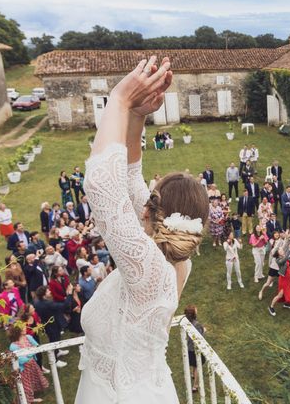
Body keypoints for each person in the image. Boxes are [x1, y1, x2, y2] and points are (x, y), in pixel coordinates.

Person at [75, 56, 210, 403]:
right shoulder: (173, 258)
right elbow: (130, 178)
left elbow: (104, 186)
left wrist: (118, 101)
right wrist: (137, 116)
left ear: (152, 212)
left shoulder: (149, 268)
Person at [33, 285, 73, 368]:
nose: (50, 292)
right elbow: (65, 306)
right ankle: (55, 360)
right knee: (54, 340)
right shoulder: (48, 304)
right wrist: (69, 294)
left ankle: (57, 351)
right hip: (51, 325)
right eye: (48, 291)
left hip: (50, 324)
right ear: (44, 295)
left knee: (56, 338)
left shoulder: (37, 302)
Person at [8, 325, 49, 402]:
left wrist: (29, 353)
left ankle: (31, 398)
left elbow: (37, 346)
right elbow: (20, 360)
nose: (25, 328)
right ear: (17, 331)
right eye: (22, 328)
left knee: (32, 381)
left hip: (32, 365)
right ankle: (28, 400)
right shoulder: (13, 346)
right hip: (23, 369)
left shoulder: (28, 337)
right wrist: (30, 353)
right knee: (26, 386)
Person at [268, 244, 290, 316]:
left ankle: (286, 304)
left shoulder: (283, 257)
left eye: (282, 249)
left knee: (286, 292)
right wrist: (289, 250)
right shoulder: (278, 260)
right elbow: (285, 259)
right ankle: (271, 307)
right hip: (283, 280)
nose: (282, 250)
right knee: (280, 295)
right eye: (280, 250)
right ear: (278, 253)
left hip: (287, 278)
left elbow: (289, 261)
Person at [183, 304, 205, 393]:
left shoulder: (186, 322)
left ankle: (192, 374)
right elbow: (200, 338)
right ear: (194, 314)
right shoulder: (197, 325)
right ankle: (195, 386)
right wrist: (204, 330)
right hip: (195, 349)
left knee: (193, 363)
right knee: (197, 366)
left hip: (189, 348)